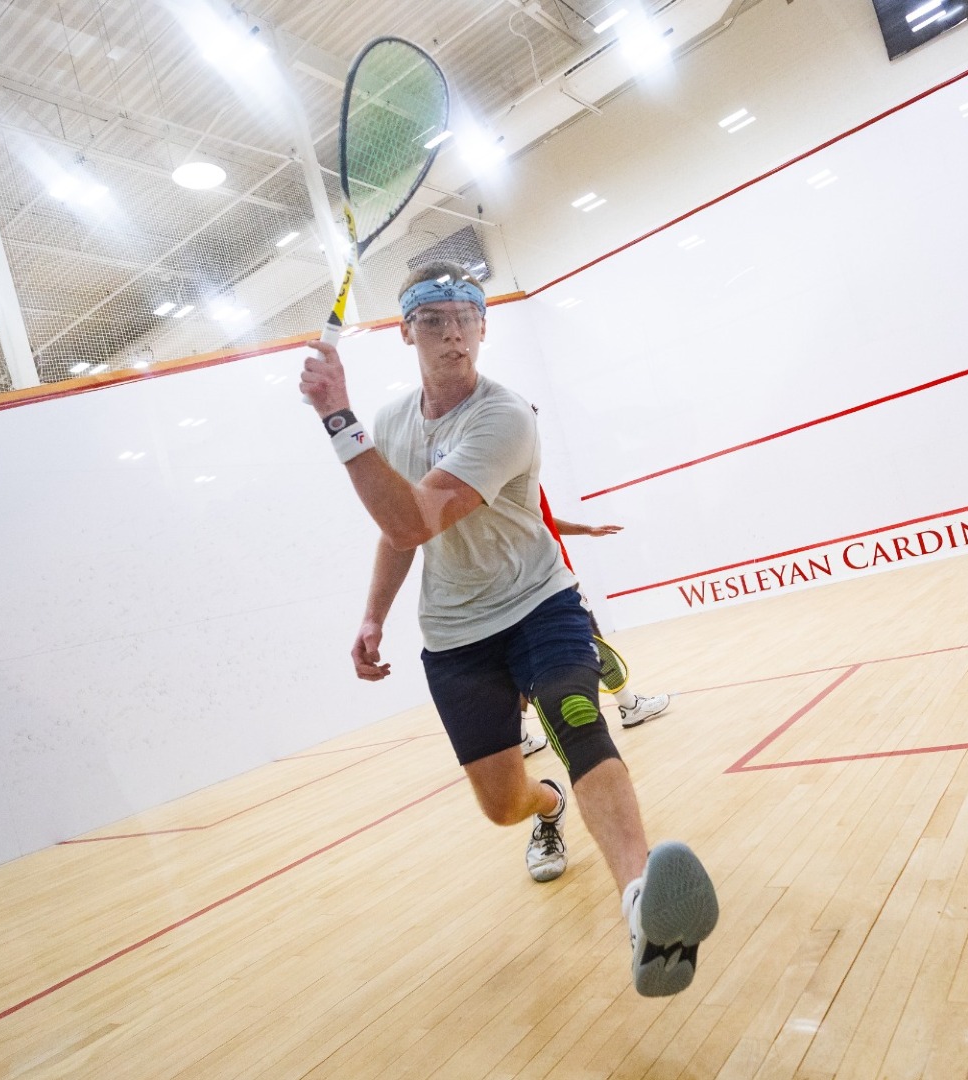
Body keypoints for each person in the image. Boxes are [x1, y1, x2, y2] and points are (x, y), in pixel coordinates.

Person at [298, 261, 719, 997]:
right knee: (501, 804)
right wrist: (373, 614)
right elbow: (399, 536)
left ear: (485, 328)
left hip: (538, 603)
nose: (453, 331)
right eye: (434, 319)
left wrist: (337, 418)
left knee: (578, 718)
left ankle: (642, 906)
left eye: (467, 315)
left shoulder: (505, 416)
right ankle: (547, 808)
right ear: (407, 332)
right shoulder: (395, 422)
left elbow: (412, 517)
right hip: (456, 635)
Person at [518, 490, 670, 757]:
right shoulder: (516, 470)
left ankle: (519, 737)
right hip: (554, 580)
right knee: (594, 639)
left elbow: (540, 517)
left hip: (525, 587)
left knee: (521, 660)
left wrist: (586, 529)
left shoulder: (496, 481)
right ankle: (630, 706)